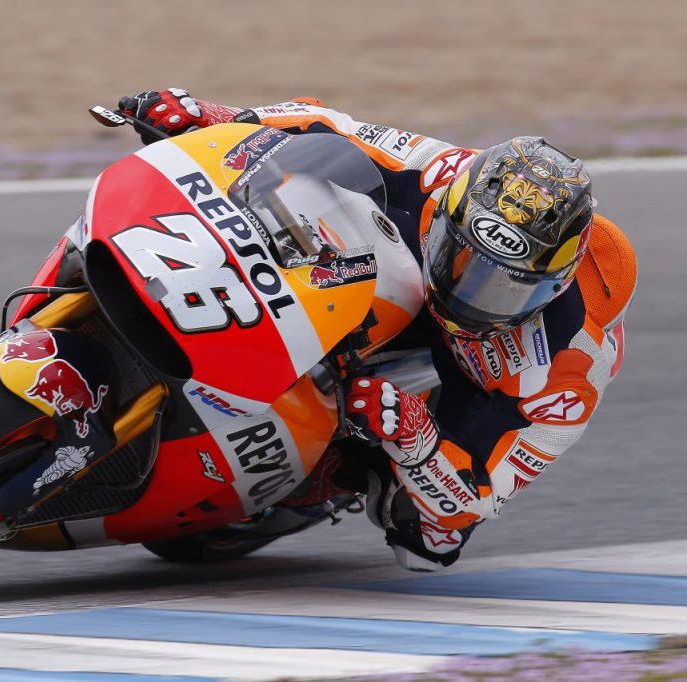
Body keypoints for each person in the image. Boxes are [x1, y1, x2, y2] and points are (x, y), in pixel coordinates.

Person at [117, 89, 638, 571]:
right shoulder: (444, 173)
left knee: (426, 542)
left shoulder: (570, 366)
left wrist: (416, 438)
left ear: (555, 285)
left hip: (473, 384)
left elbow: (477, 494)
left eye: (505, 289)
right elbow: (326, 125)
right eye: (462, 259)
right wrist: (212, 117)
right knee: (300, 189)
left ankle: (332, 473)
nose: (470, 294)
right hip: (404, 276)